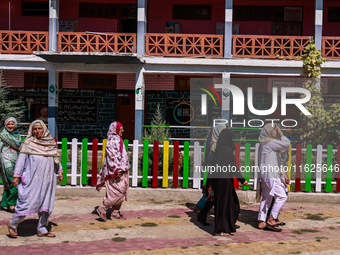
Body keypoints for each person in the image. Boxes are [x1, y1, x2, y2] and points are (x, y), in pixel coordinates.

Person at [7, 120, 63, 238]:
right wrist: (16, 176)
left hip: (48, 178)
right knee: (27, 202)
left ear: (44, 129)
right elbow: (21, 161)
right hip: (33, 178)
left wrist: (60, 171)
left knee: (46, 202)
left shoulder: (50, 142)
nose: (37, 131)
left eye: (40, 129)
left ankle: (42, 228)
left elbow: (55, 157)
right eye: (35, 129)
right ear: (31, 130)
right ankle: (13, 224)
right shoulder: (28, 143)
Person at [209, 129, 249, 236]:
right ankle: (221, 229)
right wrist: (242, 180)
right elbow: (233, 167)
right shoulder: (227, 151)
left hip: (218, 181)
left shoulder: (218, 150)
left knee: (229, 205)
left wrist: (211, 183)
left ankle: (226, 226)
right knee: (226, 205)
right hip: (225, 181)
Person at [257, 123, 290, 232]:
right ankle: (272, 219)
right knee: (282, 197)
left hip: (266, 175)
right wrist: (281, 134)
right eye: (275, 130)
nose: (276, 132)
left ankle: (262, 221)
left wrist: (283, 174)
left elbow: (279, 156)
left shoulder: (264, 143)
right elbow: (286, 144)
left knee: (267, 198)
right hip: (271, 176)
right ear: (269, 131)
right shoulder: (270, 143)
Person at [96, 121, 130, 221]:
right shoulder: (112, 141)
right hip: (115, 171)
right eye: (121, 129)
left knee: (122, 191)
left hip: (122, 170)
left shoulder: (118, 139)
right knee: (116, 192)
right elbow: (112, 156)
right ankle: (103, 208)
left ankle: (115, 213)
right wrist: (116, 169)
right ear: (115, 129)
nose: (123, 131)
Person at [0, 117, 22, 213]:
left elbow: (19, 146)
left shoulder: (17, 134)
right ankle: (11, 203)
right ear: (5, 124)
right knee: (15, 183)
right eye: (8, 124)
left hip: (15, 161)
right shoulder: (3, 135)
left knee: (9, 184)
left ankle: (4, 204)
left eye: (12, 124)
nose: (10, 126)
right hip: (6, 161)